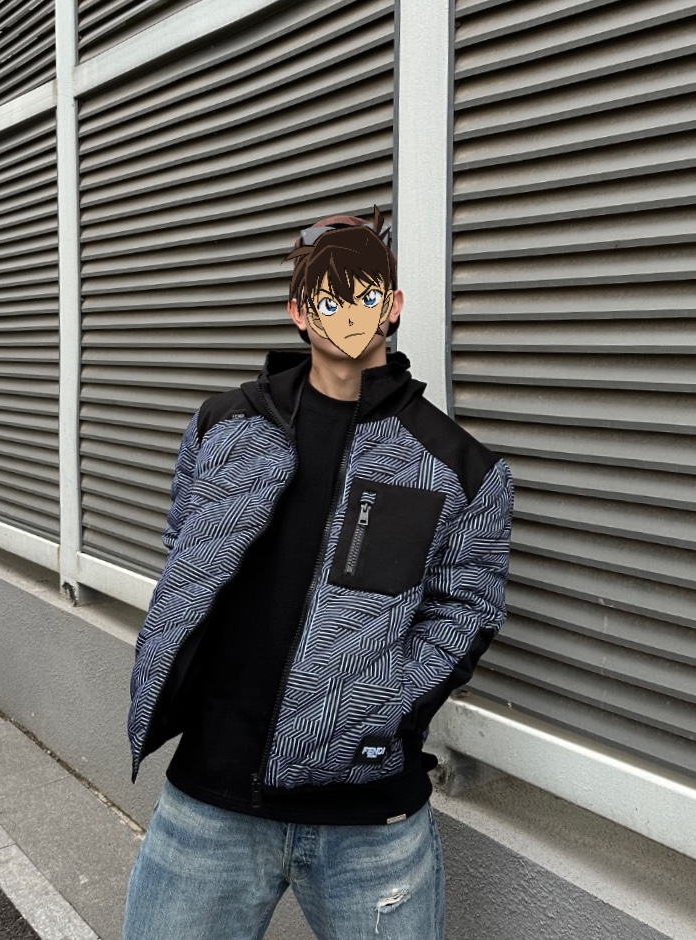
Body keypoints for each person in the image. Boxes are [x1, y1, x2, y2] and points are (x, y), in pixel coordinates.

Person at [123, 207, 514, 940]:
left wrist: (377, 714)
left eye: (366, 296)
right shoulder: (222, 427)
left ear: (393, 306)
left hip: (368, 820)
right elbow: (183, 558)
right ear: (299, 312)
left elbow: (466, 614)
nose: (349, 315)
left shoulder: (459, 466)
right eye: (329, 299)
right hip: (207, 799)